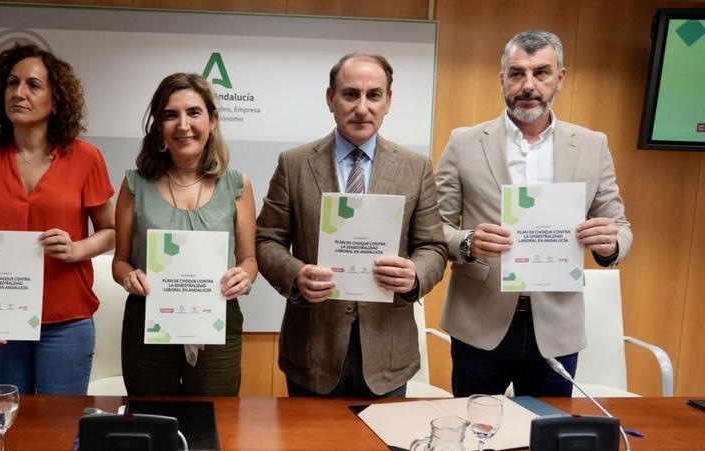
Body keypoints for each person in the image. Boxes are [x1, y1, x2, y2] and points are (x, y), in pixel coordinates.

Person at [434, 30, 633, 397]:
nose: (528, 85)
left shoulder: (592, 145)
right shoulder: (464, 143)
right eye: (516, 73)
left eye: (541, 73)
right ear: (502, 79)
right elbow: (434, 228)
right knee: (477, 433)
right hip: (481, 321)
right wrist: (467, 242)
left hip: (555, 327)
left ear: (560, 78)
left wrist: (608, 244)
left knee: (546, 443)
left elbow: (620, 228)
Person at [256, 53, 447, 397]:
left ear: (388, 101)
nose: (362, 107)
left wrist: (415, 274)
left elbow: (433, 246)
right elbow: (267, 240)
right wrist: (296, 274)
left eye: (374, 95)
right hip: (312, 349)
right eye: (350, 94)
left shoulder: (416, 168)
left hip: (387, 352)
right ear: (330, 98)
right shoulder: (295, 164)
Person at [0, 44, 116, 395]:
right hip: (0, 317)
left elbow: (111, 232)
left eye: (33, 85)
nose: (19, 93)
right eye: (12, 83)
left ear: (56, 101)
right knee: (9, 424)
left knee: (60, 429)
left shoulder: (86, 158)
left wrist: (76, 249)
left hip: (67, 321)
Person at [113, 73, 257, 396]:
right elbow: (119, 261)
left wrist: (244, 277)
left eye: (193, 113)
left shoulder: (237, 184)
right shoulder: (135, 185)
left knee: (215, 424)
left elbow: (249, 259)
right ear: (158, 125)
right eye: (170, 115)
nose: (183, 125)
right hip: (148, 326)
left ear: (213, 121)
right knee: (153, 425)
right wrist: (129, 276)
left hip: (216, 327)